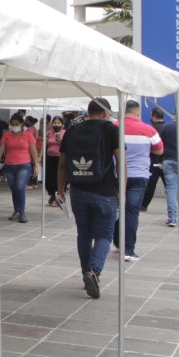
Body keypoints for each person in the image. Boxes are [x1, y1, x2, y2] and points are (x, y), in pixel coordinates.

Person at [56, 98, 121, 299]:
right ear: (104, 113)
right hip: (104, 191)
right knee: (104, 234)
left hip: (78, 190)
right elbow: (121, 161)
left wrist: (60, 191)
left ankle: (86, 272)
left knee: (83, 233)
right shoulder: (111, 129)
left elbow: (63, 164)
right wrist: (123, 191)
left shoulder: (73, 130)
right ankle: (93, 271)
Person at [112, 100, 162, 262]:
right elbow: (160, 149)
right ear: (137, 112)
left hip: (116, 175)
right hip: (139, 176)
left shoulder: (113, 126)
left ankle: (117, 239)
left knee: (116, 209)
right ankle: (128, 250)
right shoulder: (148, 129)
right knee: (132, 212)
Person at [0, 114, 39, 223]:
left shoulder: (28, 135)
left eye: (17, 124)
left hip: (24, 165)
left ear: (22, 124)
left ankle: (22, 212)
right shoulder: (7, 135)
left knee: (20, 187)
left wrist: (36, 165)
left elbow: (33, 151)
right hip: (9, 165)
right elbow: (1, 148)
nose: (14, 126)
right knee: (14, 188)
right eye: (12, 124)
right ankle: (16, 211)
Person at [140, 107, 167, 212]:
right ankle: (173, 207)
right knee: (170, 187)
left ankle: (143, 205)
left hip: (152, 160)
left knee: (150, 185)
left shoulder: (150, 129)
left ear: (154, 116)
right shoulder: (167, 128)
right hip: (166, 161)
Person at [44, 116, 64, 207]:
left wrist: (60, 141)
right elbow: (46, 145)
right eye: (55, 123)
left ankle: (58, 198)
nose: (56, 125)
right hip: (50, 158)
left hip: (60, 158)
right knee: (49, 179)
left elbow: (66, 146)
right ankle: (52, 194)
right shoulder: (49, 133)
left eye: (58, 123)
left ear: (62, 124)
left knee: (58, 178)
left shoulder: (65, 133)